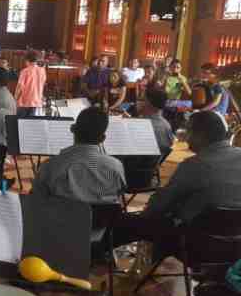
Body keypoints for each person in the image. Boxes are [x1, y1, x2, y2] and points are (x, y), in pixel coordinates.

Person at [113, 112, 241, 253]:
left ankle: (106, 258)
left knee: (122, 223)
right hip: (235, 246)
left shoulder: (195, 165)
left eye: (188, 131)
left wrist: (144, 215)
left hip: (195, 245)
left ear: (201, 135)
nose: (186, 138)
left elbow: (160, 205)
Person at [32, 107, 126, 204]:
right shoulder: (116, 166)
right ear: (102, 138)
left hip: (63, 214)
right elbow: (118, 194)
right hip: (105, 214)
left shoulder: (51, 166)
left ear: (73, 129)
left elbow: (36, 199)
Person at [139, 87, 175, 155]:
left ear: (148, 103)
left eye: (142, 100)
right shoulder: (166, 124)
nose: (138, 103)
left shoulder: (142, 125)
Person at [14, 51, 46, 117]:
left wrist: (15, 99)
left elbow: (19, 87)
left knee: (20, 122)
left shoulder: (25, 71)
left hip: (24, 102)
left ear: (27, 60)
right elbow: (42, 84)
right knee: (30, 122)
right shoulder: (42, 71)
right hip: (36, 101)